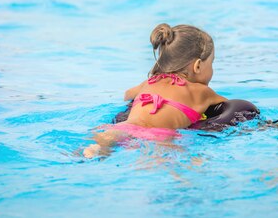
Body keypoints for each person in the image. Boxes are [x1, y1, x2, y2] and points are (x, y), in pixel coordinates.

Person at [83, 23, 227, 158]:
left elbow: (127, 95)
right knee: (166, 161)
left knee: (104, 142)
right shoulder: (201, 91)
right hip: (160, 136)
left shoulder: (149, 82)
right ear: (198, 66)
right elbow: (228, 105)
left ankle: (94, 150)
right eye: (211, 62)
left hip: (126, 127)